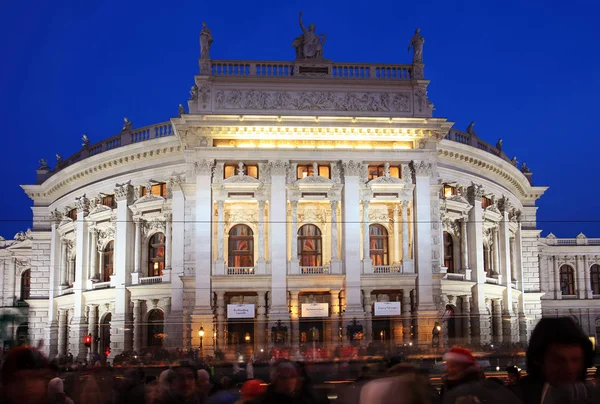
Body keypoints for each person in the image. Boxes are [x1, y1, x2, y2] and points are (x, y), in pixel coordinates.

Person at [514, 317, 599, 403]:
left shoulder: (592, 396)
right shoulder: (513, 397)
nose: (569, 368)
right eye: (558, 361)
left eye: (575, 360)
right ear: (537, 360)